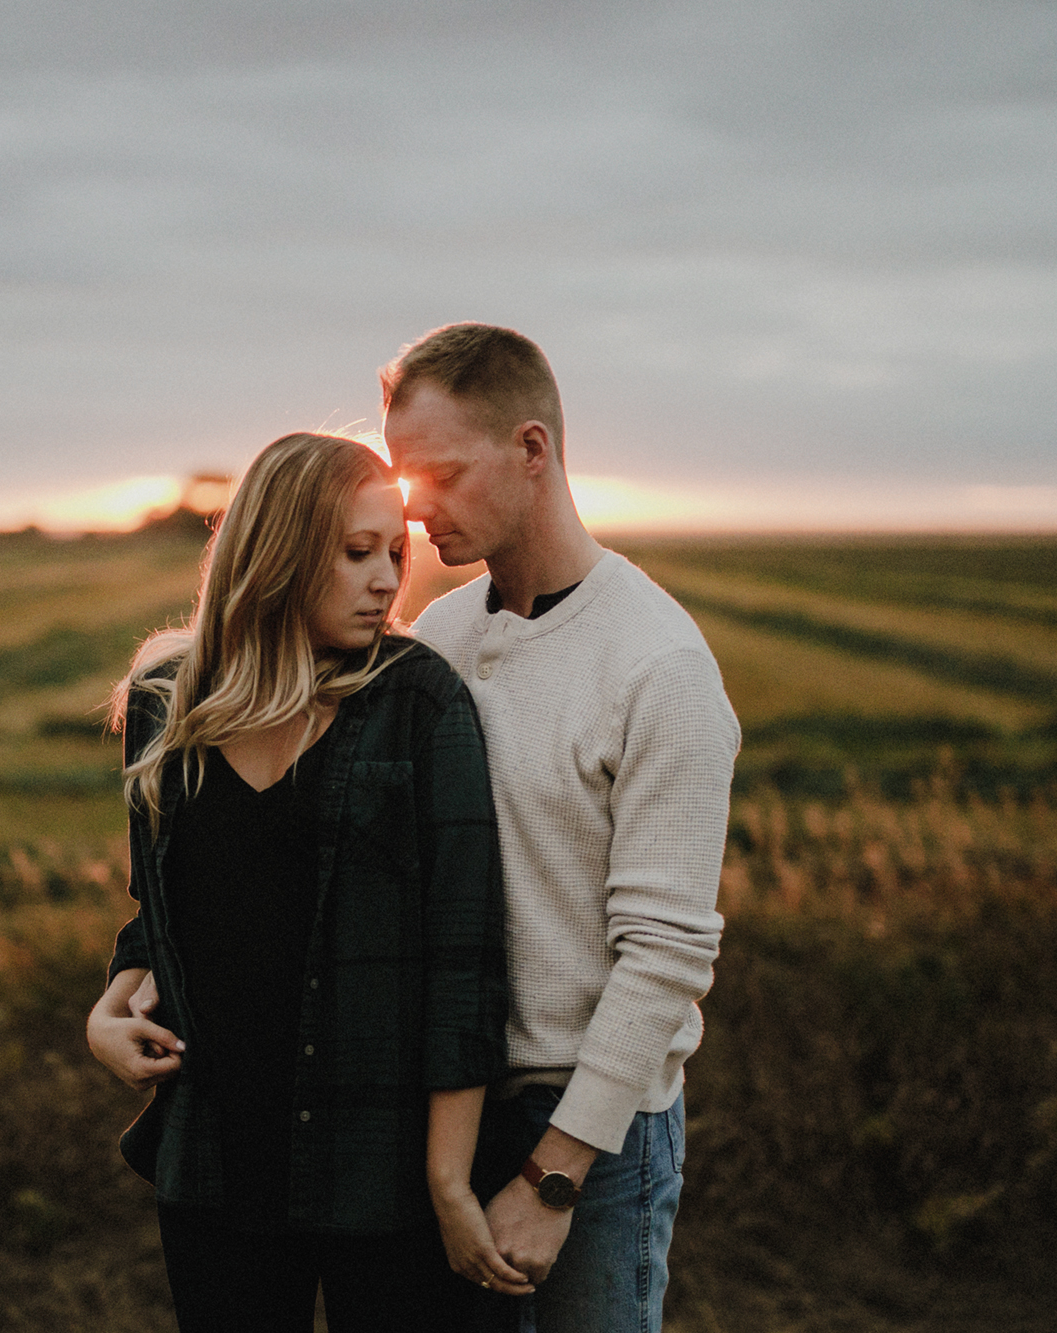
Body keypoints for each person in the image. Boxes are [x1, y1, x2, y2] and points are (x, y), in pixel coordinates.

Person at [85, 431, 523, 1332]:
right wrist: (107, 1015)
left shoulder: (420, 703)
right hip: (215, 1160)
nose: (386, 580)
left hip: (383, 1169)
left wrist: (449, 1178)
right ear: (277, 549)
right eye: (356, 552)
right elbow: (160, 912)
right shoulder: (167, 700)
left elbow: (465, 956)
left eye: (394, 552)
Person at [380, 324, 740, 1333]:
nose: (414, 508)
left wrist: (553, 1174)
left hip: (594, 1131)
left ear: (530, 450)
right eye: (402, 479)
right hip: (444, 1108)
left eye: (440, 472)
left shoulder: (657, 666)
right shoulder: (434, 642)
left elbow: (663, 953)